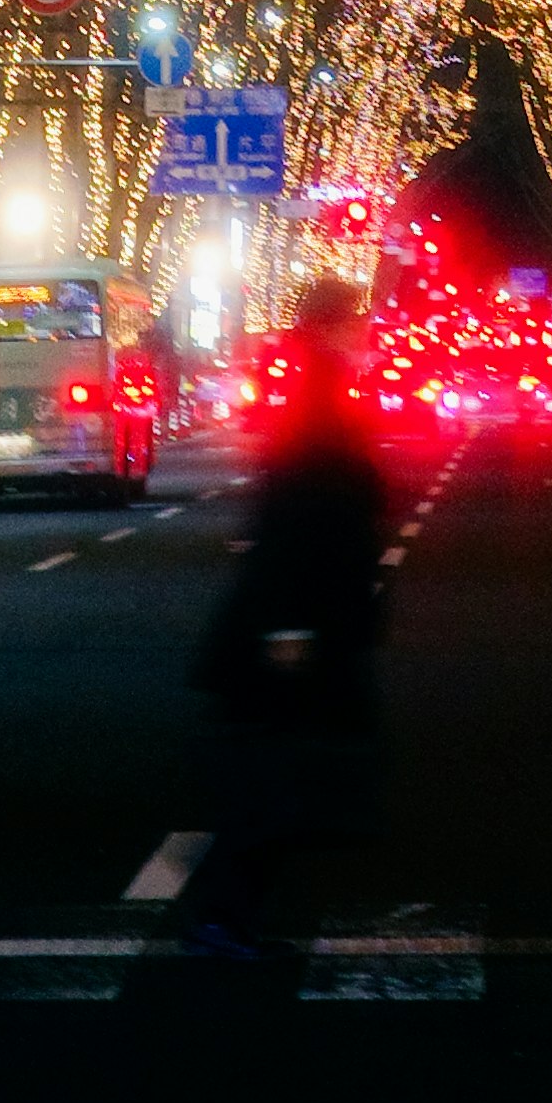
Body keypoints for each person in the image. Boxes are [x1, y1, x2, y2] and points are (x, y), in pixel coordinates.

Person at [183, 275, 390, 959]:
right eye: (352, 319)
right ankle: (220, 910)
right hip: (297, 618)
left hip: (307, 613)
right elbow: (297, 515)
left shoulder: (320, 387)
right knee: (283, 775)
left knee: (297, 766)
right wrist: (289, 625)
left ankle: (229, 905)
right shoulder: (317, 396)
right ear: (330, 326)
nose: (363, 330)